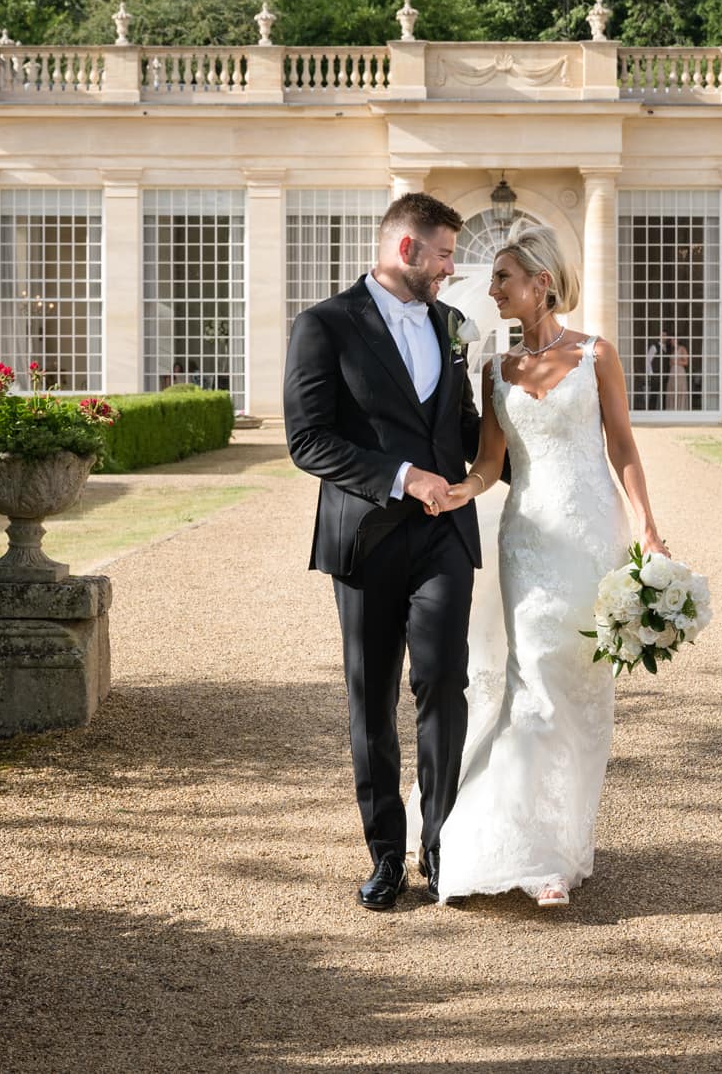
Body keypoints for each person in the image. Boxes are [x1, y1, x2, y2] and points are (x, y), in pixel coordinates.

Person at [432, 222, 666, 908]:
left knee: (580, 687)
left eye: (503, 276)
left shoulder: (597, 354)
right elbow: (490, 465)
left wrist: (649, 527)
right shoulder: (494, 370)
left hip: (592, 534)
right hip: (526, 541)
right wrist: (457, 493)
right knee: (529, 678)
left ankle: (563, 839)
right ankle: (530, 854)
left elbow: (622, 445)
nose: (493, 288)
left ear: (541, 282)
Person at [283, 193, 484, 911]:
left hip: (445, 539)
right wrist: (403, 477)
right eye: (444, 254)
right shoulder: (324, 326)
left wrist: (531, 436)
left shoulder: (451, 326)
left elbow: (461, 430)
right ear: (407, 250)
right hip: (365, 537)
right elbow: (308, 440)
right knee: (371, 699)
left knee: (444, 685)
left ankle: (442, 844)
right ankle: (385, 855)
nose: (451, 269)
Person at [664, 334, 693, 412]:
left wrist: (675, 362)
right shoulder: (673, 350)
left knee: (679, 391)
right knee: (672, 391)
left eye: (672, 339)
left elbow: (686, 362)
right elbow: (670, 363)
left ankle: (680, 410)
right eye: (670, 340)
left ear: (677, 340)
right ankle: (672, 410)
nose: (671, 341)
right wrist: (672, 363)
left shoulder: (682, 349)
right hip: (672, 373)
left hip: (679, 372)